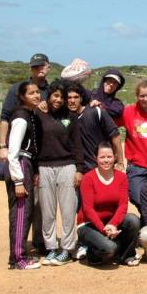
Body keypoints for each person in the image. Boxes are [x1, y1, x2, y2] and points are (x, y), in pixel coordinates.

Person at [38, 81, 85, 266]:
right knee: (47, 211)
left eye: (61, 97)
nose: (58, 100)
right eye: (55, 96)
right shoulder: (39, 115)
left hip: (67, 166)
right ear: (49, 96)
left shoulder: (71, 117)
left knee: (68, 210)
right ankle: (51, 248)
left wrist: (79, 169)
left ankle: (66, 248)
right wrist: (34, 170)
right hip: (44, 167)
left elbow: (77, 145)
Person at [77, 143, 140, 266]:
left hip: (111, 223)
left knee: (133, 220)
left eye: (109, 157)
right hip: (89, 224)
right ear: (95, 158)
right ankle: (93, 253)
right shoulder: (88, 178)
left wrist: (113, 224)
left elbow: (123, 205)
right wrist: (103, 229)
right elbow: (88, 209)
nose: (106, 160)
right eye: (102, 157)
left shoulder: (121, 177)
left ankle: (126, 256)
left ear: (115, 157)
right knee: (110, 248)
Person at [5, 82, 43, 270]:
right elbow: (13, 151)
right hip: (20, 163)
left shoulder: (30, 114)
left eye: (37, 92)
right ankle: (18, 258)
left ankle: (19, 254)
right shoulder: (21, 117)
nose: (36, 95)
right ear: (22, 96)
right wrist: (18, 181)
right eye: (31, 93)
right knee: (21, 212)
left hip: (26, 163)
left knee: (25, 211)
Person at [0, 53, 50, 165]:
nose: (39, 68)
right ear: (31, 69)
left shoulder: (52, 91)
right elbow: (5, 118)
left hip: (44, 149)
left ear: (48, 67)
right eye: (35, 66)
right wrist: (3, 147)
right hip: (21, 150)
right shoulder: (17, 89)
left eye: (42, 65)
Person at [65, 81, 122, 170]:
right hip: (77, 169)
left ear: (81, 98)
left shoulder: (96, 112)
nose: (72, 101)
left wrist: (120, 162)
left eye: (76, 97)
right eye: (69, 98)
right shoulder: (63, 118)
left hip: (100, 167)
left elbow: (115, 136)